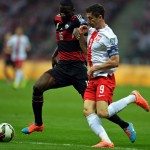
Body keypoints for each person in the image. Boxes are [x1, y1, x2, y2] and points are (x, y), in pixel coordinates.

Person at [22, 0, 137, 144]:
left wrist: (81, 35)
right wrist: (54, 54)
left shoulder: (79, 20)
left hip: (78, 70)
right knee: (37, 87)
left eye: (66, 12)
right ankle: (38, 124)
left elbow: (87, 34)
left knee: (97, 109)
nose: (63, 14)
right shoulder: (57, 20)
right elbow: (62, 39)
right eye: (61, 11)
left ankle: (125, 125)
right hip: (62, 68)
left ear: (73, 10)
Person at [74, 3, 150, 148]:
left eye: (90, 18)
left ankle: (133, 97)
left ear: (100, 17)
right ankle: (106, 141)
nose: (88, 21)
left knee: (102, 112)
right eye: (87, 18)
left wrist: (96, 67)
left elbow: (115, 62)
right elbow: (86, 51)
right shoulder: (91, 31)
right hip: (92, 78)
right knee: (87, 110)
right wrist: (79, 38)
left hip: (104, 78)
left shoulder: (110, 36)